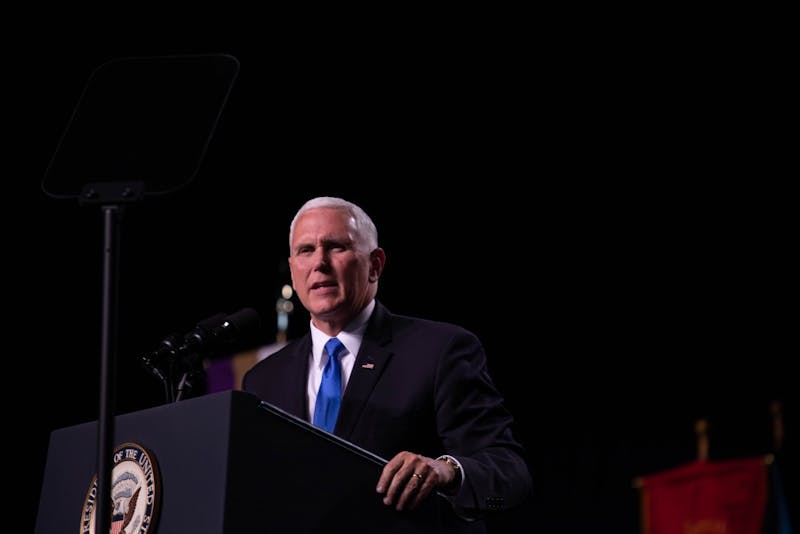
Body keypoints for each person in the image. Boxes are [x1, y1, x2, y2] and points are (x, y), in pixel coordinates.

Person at [242, 196, 532, 531]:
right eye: (306, 250)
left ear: (375, 265)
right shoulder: (262, 379)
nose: (319, 262)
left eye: (336, 246)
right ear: (293, 268)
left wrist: (446, 470)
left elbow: (510, 472)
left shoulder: (440, 350)